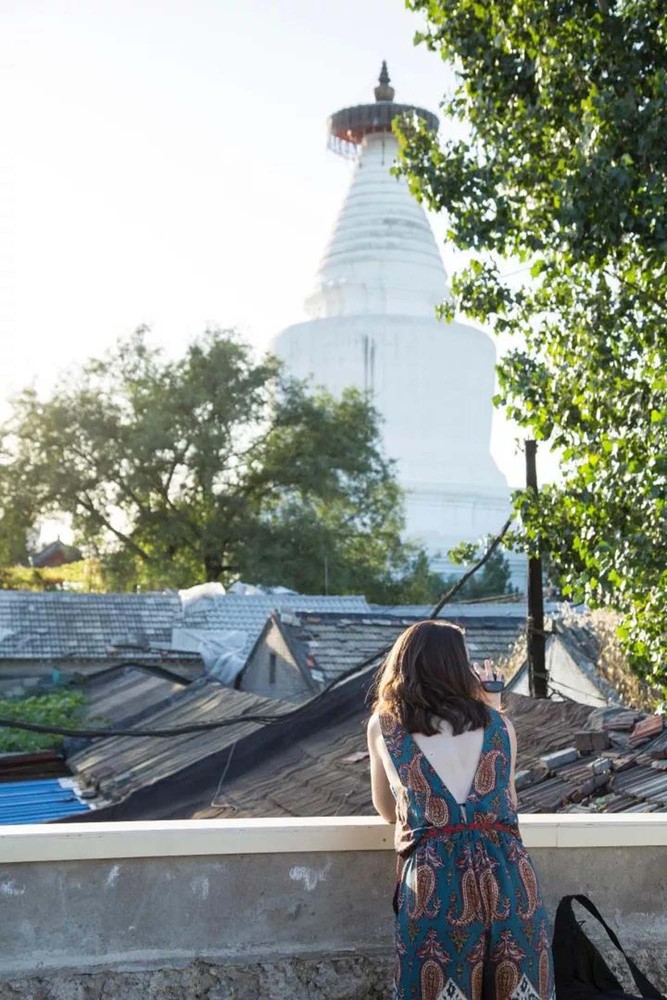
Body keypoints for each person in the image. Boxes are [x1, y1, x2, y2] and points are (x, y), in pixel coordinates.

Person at [367, 619, 555, 1000]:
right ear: (457, 668)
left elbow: (388, 812)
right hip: (508, 879)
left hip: (435, 883)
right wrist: (493, 707)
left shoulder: (385, 727)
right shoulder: (501, 726)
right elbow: (508, 806)